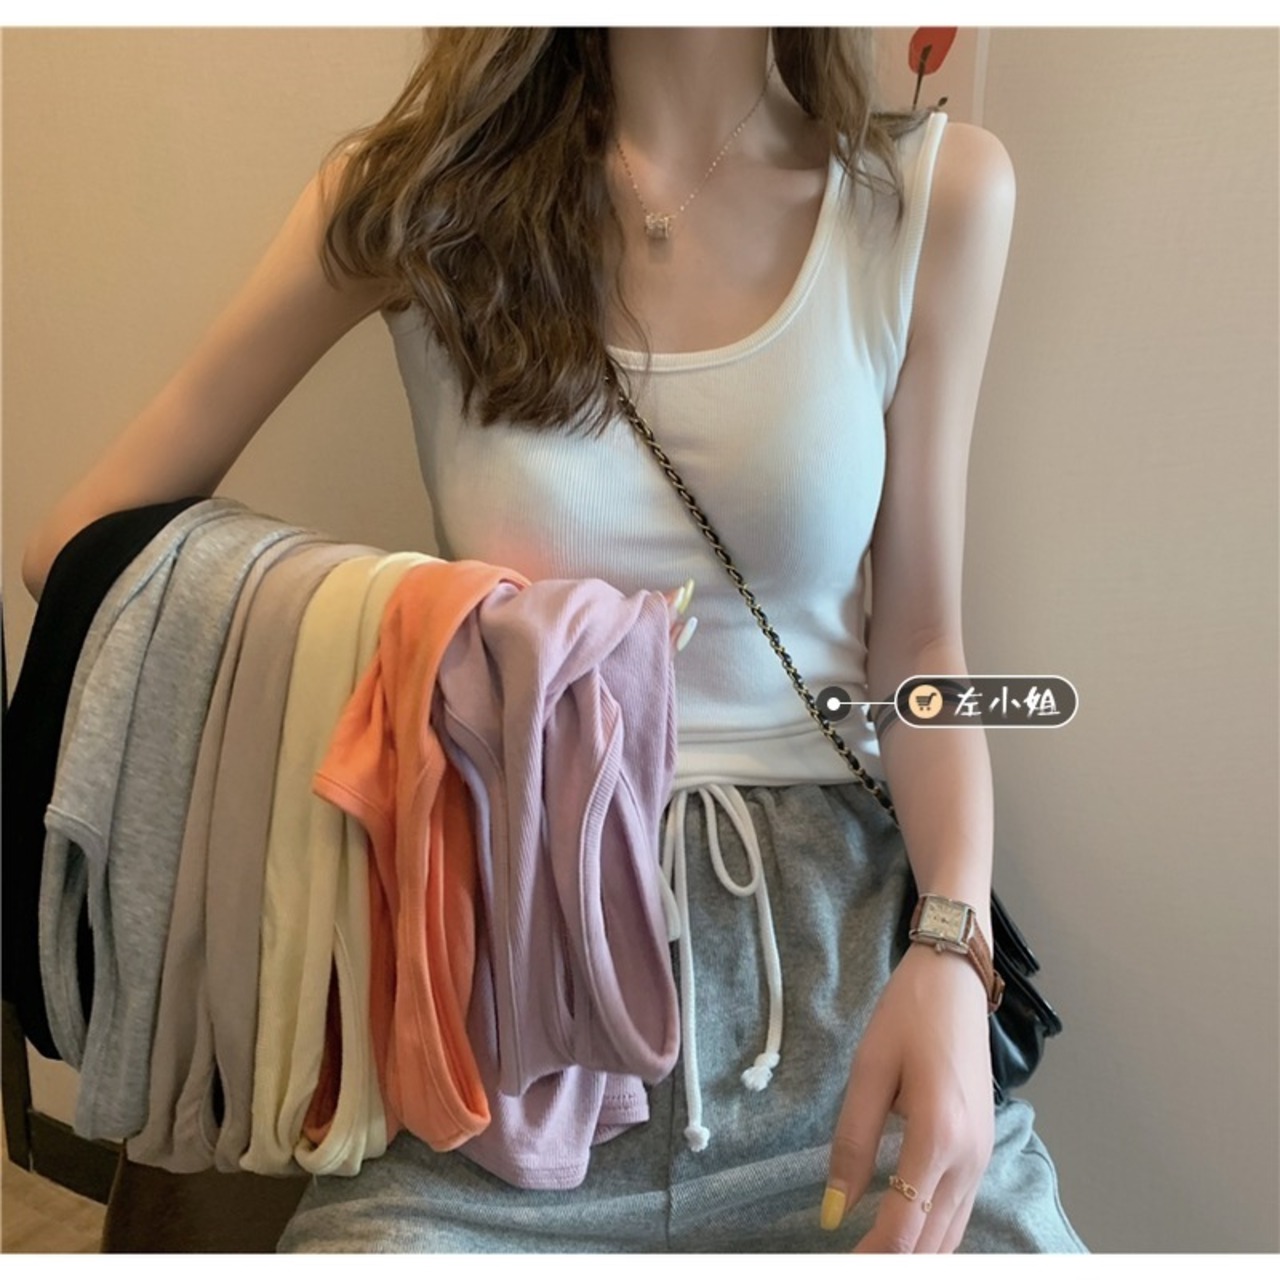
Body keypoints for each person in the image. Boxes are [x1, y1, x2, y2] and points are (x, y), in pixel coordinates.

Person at [22, 28, 1086, 1254]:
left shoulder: (930, 196)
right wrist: (406, 640)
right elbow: (77, 548)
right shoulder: (414, 200)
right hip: (503, 1013)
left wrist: (950, 947)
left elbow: (923, 645)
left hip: (835, 985)